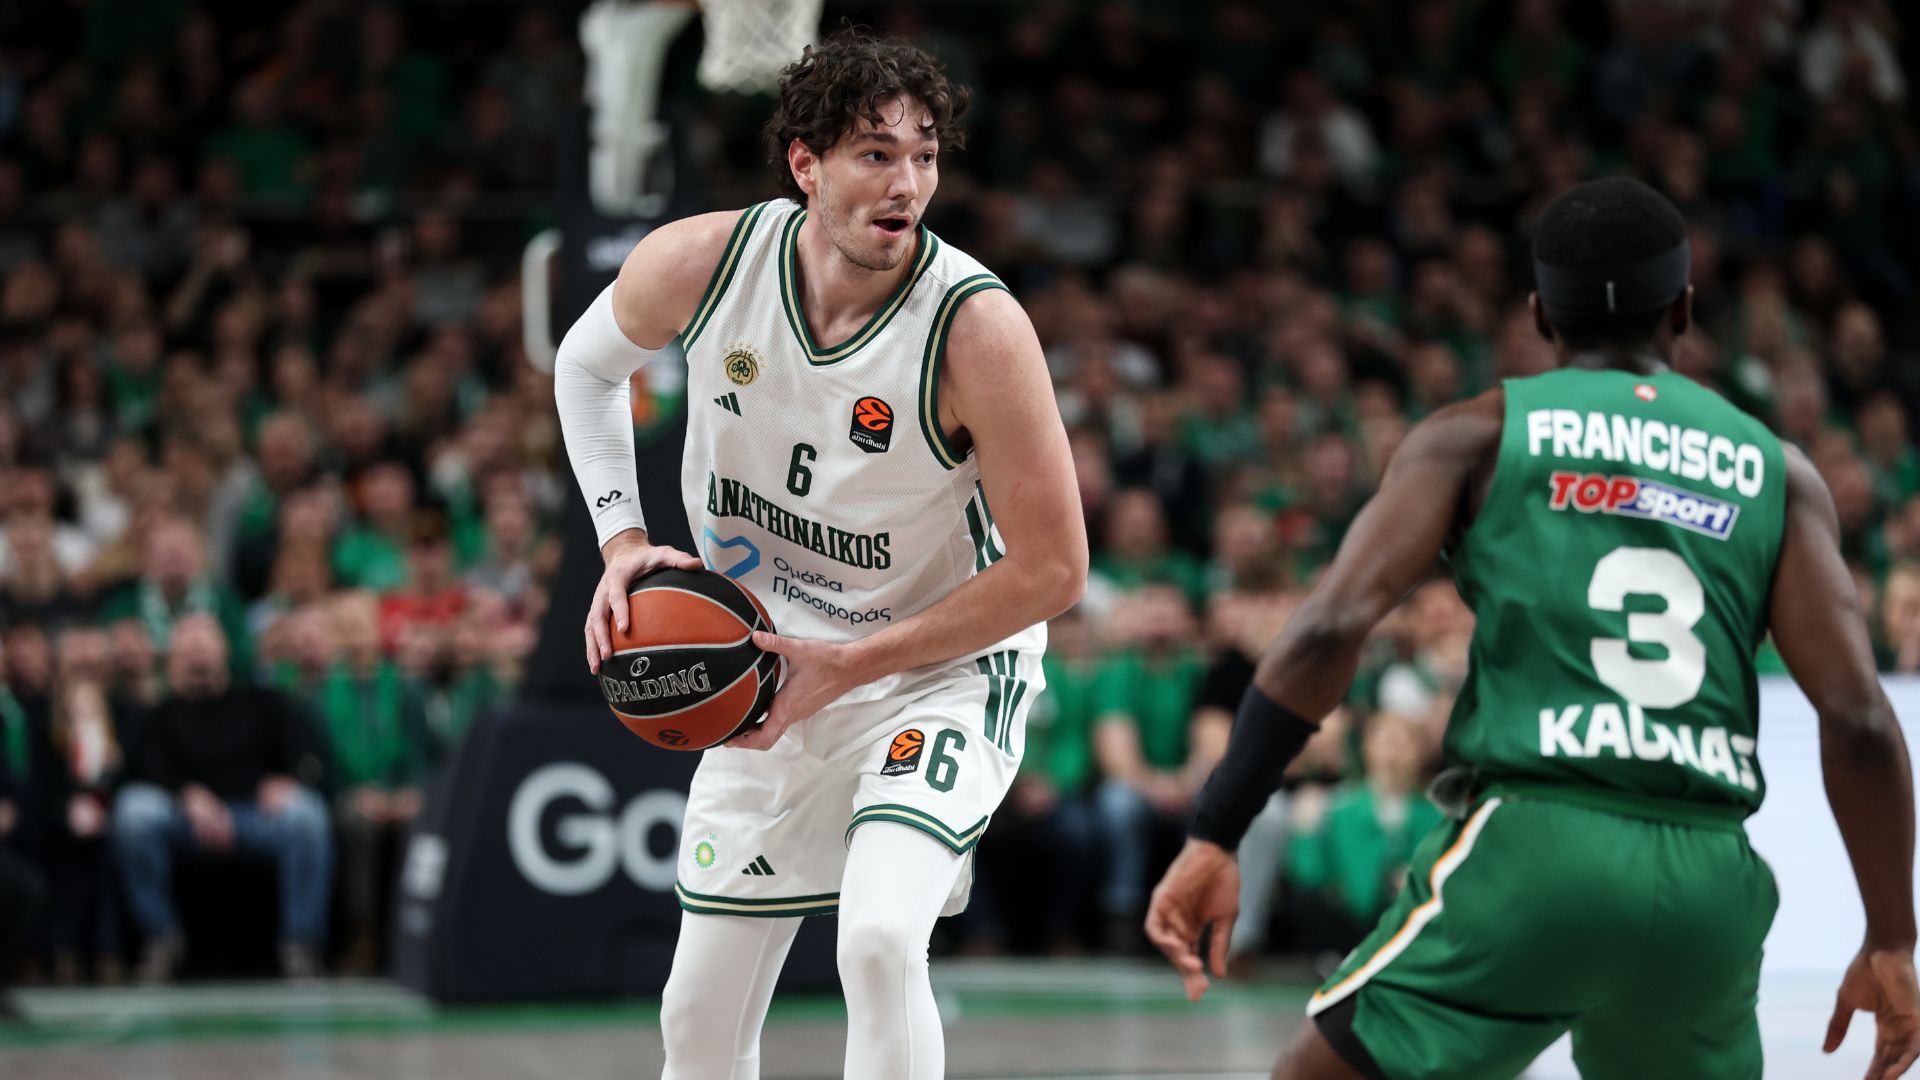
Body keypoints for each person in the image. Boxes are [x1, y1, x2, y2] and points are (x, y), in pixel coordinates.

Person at [1146, 177, 1920, 1080]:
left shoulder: (1475, 435)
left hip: (1538, 848)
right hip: (1710, 877)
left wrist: (1218, 828)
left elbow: (1329, 630)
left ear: (1540, 316)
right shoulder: (1778, 472)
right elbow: (1860, 719)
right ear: (1684, 309)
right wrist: (1892, 937)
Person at [553, 29, 1085, 1080]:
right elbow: (584, 367)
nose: (907, 184)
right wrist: (623, 540)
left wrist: (851, 663)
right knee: (696, 1020)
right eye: (875, 154)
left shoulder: (976, 330)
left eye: (924, 155)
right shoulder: (704, 263)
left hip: (934, 672)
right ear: (806, 164)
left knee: (879, 942)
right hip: (771, 667)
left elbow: (1054, 572)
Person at [113, 614, 332, 982]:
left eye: (206, 635)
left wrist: (288, 779)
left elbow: (305, 750)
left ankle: (301, 943)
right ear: (172, 654)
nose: (197, 643)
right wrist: (188, 795)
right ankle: (160, 937)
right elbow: (144, 768)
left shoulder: (263, 700)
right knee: (134, 812)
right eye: (187, 637)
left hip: (255, 815)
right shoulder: (159, 713)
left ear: (224, 648)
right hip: (186, 821)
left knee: (307, 814)